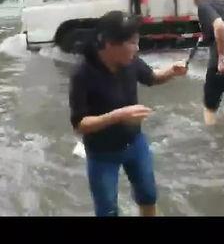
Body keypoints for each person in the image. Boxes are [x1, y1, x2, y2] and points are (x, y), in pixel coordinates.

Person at [69, 11, 188, 217]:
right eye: (132, 42)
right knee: (107, 210)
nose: (137, 48)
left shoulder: (130, 61)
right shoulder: (82, 74)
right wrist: (119, 115)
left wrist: (171, 71)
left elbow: (151, 77)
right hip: (101, 153)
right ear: (109, 44)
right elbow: (80, 124)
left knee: (148, 195)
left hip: (135, 143)